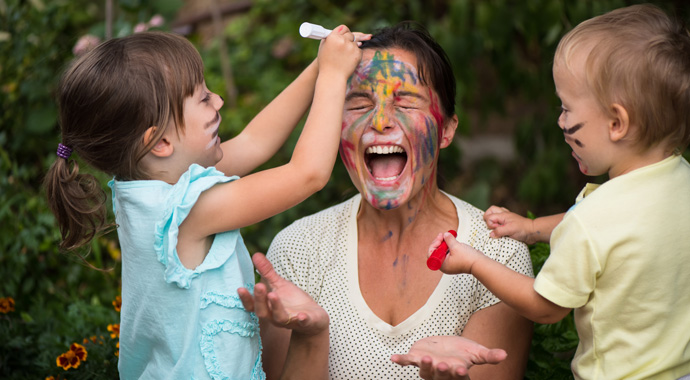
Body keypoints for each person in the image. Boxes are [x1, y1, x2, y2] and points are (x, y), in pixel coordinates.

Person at [44, 28, 368, 379]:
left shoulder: (149, 184)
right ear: (160, 142)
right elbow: (308, 174)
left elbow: (254, 142)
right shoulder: (189, 211)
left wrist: (319, 66)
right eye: (202, 98)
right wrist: (335, 77)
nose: (219, 101)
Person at [429, 4, 690, 379]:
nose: (561, 121)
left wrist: (473, 262)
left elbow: (546, 305)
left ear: (617, 123)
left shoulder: (593, 221)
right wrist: (532, 229)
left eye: (567, 109)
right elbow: (606, 231)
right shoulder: (678, 179)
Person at [261, 22, 534, 380]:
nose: (381, 120)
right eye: (359, 104)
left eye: (405, 102)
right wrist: (310, 338)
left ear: (447, 129)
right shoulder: (298, 251)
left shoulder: (498, 256)